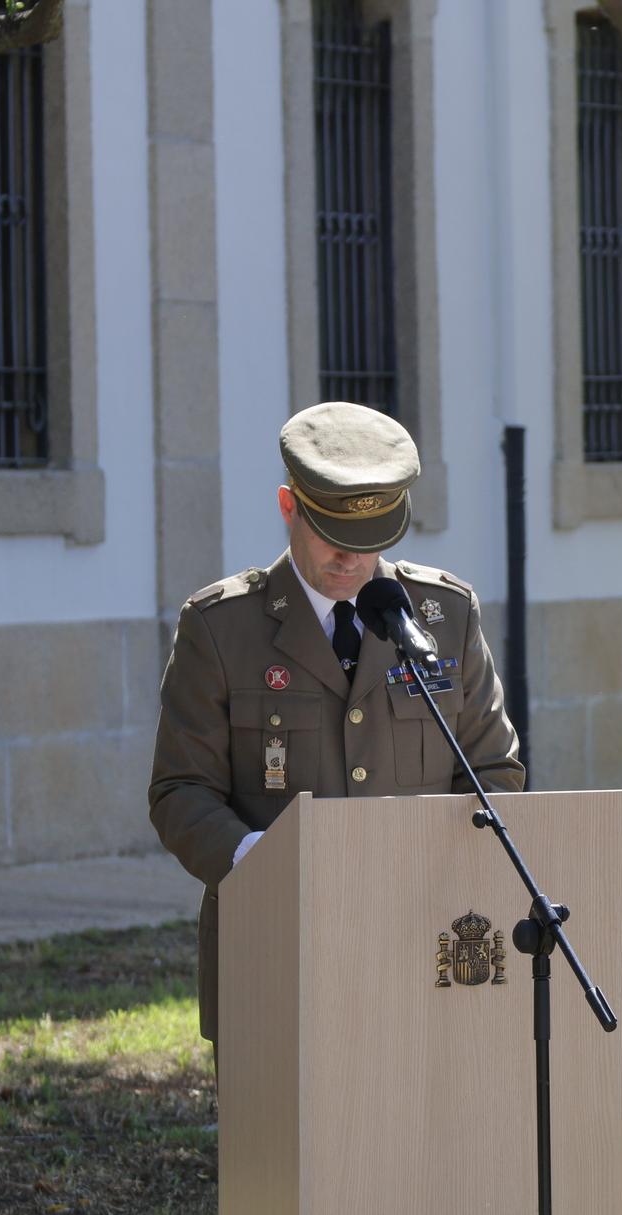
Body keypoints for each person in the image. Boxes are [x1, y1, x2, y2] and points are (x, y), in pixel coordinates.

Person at [149, 402, 525, 1047]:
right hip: (277, 937)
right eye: (332, 535)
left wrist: (438, 875)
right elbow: (181, 792)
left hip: (420, 932)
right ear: (288, 505)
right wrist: (264, 866)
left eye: (372, 538)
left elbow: (493, 772)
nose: (352, 559)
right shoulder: (220, 628)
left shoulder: (443, 616)